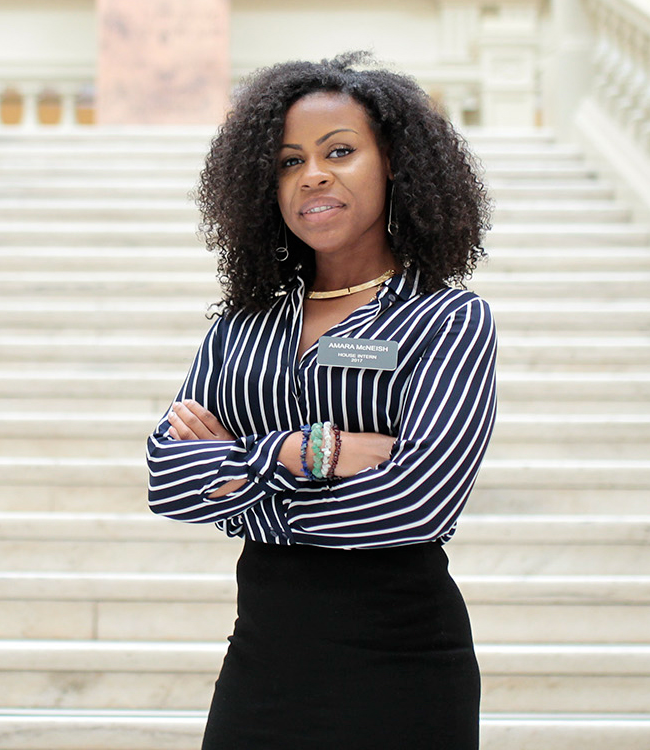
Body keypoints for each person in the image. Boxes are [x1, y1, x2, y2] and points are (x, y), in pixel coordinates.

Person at [145, 51, 497, 749]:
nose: (313, 175)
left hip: (402, 662)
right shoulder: (240, 327)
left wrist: (240, 484)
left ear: (393, 161)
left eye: (341, 151)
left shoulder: (447, 320)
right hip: (264, 660)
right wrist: (310, 451)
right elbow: (166, 479)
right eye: (287, 161)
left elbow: (415, 504)